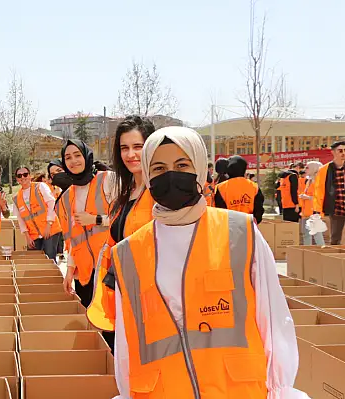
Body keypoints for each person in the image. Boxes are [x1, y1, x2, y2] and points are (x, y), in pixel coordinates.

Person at [110, 126, 306, 398]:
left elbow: (272, 321)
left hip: (236, 391)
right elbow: (126, 344)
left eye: (181, 164)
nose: (170, 175)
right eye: (158, 168)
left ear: (200, 169)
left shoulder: (240, 233)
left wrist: (280, 389)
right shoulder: (128, 254)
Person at [86, 115, 156, 349]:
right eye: (124, 148)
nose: (130, 154)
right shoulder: (126, 194)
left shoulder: (161, 194)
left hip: (151, 303)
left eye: (138, 147)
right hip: (123, 295)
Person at [55, 139, 114, 309]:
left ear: (86, 156)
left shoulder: (107, 180)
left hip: (109, 268)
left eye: (77, 155)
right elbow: (75, 237)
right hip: (85, 272)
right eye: (68, 158)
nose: (73, 161)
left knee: (111, 326)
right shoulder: (68, 195)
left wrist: (96, 220)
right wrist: (70, 270)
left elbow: (125, 219)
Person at [12, 166, 62, 259]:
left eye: (25, 174)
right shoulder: (16, 198)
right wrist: (27, 237)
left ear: (30, 176)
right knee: (34, 260)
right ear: (17, 179)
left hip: (50, 229)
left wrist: (49, 224)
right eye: (19, 176)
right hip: (33, 235)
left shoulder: (40, 186)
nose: (23, 177)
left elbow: (52, 204)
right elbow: (21, 220)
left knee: (49, 258)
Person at [214, 155, 265, 223]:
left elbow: (218, 212)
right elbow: (259, 211)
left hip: (228, 229)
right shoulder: (254, 187)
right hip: (249, 228)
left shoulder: (221, 188)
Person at [314, 141, 345, 245]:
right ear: (333, 152)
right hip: (336, 208)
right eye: (340, 151)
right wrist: (317, 210)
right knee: (335, 237)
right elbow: (319, 190)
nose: (343, 153)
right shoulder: (324, 170)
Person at [300, 161, 326, 246]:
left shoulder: (318, 181)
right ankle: (307, 253)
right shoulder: (309, 181)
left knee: (317, 234)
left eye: (307, 167)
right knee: (306, 234)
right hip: (306, 212)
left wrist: (307, 197)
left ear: (314, 168)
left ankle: (322, 253)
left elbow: (320, 197)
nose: (305, 170)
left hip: (314, 212)